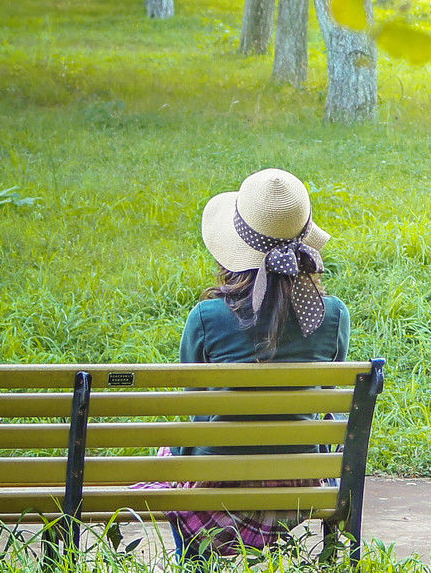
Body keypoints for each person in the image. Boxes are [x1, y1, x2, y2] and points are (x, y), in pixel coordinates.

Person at [149, 169, 349, 558]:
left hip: (218, 483)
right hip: (299, 484)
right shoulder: (332, 315)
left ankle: (196, 563)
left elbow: (193, 406)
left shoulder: (207, 317)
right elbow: (326, 400)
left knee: (170, 448)